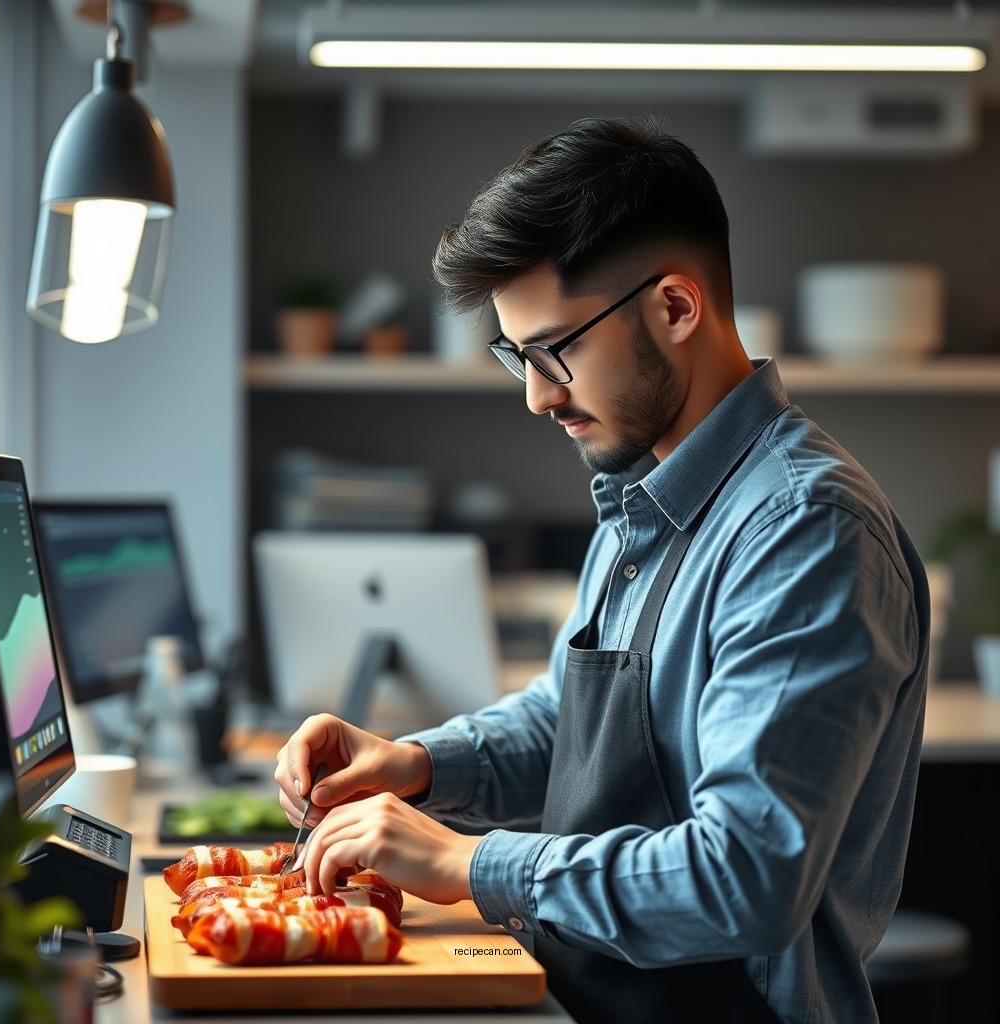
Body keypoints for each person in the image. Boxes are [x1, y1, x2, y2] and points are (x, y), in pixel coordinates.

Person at [274, 115, 929, 1024]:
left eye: (554, 352)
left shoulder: (804, 530)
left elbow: (744, 878)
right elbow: (576, 723)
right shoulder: (640, 492)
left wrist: (467, 862)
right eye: (517, 358)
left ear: (674, 307)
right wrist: (419, 765)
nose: (539, 395)